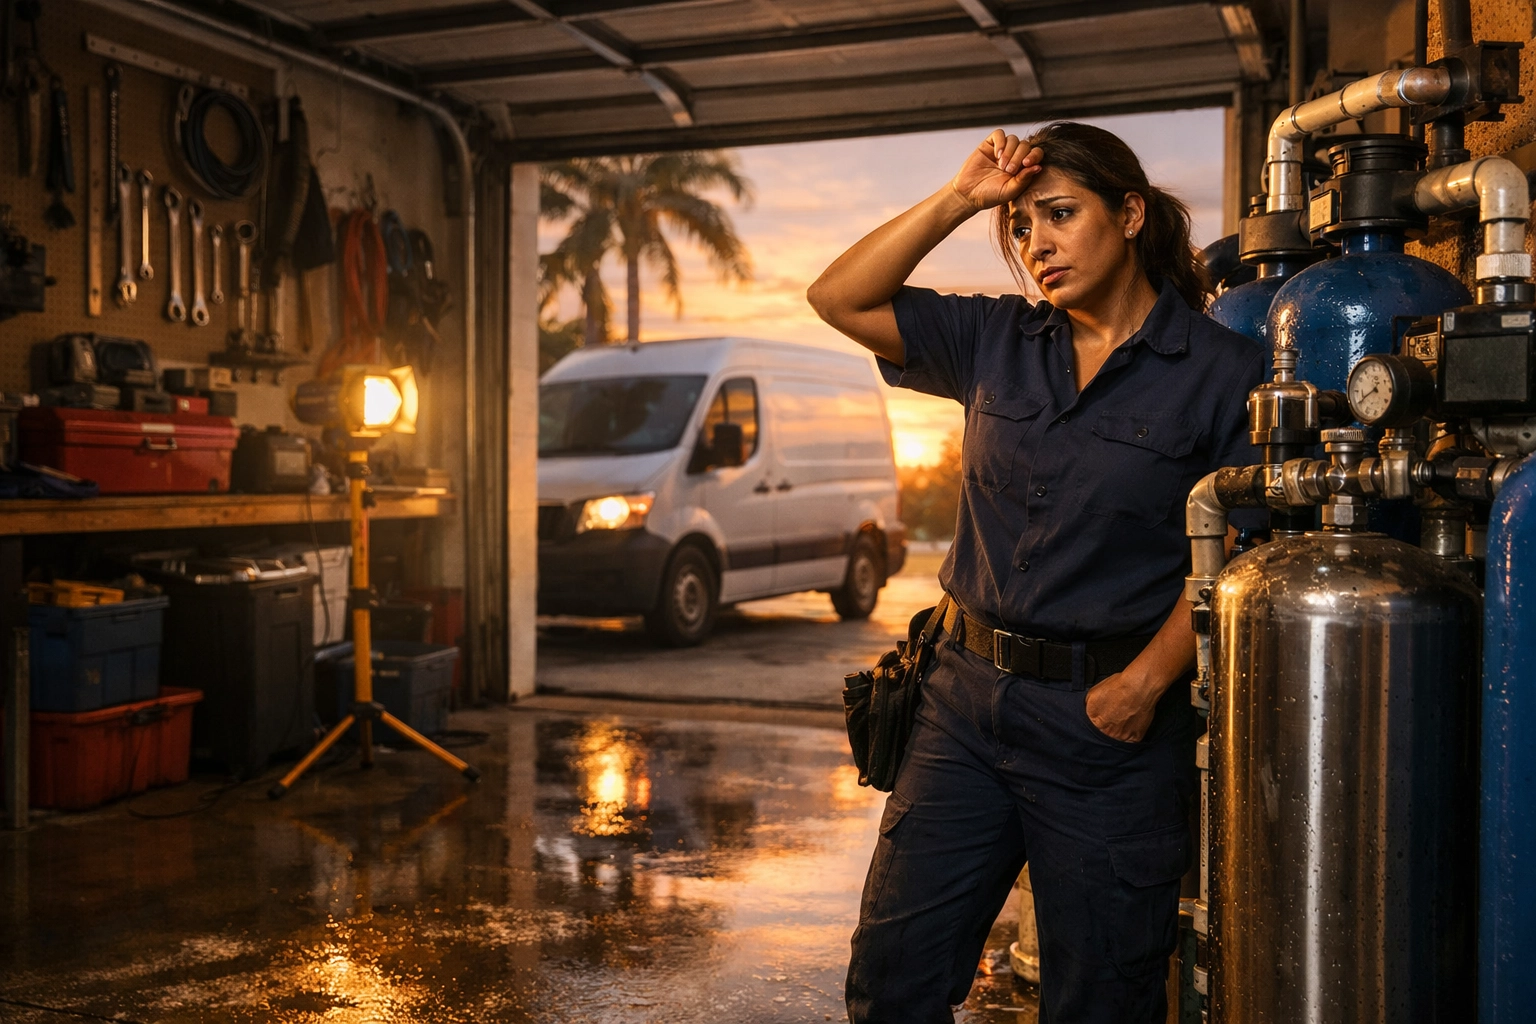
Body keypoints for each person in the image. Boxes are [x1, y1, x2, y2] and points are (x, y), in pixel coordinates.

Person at [806, 122, 1264, 1023]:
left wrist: (1145, 684)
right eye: (1019, 227)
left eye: (1059, 214)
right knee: (892, 983)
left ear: (1129, 214)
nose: (1035, 245)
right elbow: (838, 297)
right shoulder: (994, 337)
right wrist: (960, 198)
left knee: (1102, 1001)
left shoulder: (1224, 372)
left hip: (1110, 728)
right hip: (961, 707)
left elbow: (1240, 553)